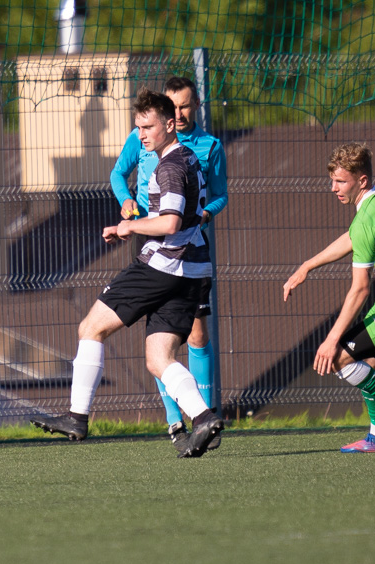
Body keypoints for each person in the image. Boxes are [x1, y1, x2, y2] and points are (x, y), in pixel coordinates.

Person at [32, 88, 224, 458]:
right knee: (158, 358)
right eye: (137, 128)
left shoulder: (169, 166)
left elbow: (168, 223)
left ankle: (77, 417)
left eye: (148, 127)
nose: (142, 135)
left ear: (169, 125)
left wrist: (128, 228)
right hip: (193, 269)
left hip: (164, 265)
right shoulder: (187, 159)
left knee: (91, 328)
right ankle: (202, 418)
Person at [282, 142, 375, 452]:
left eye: (341, 181)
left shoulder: (367, 218)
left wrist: (330, 340)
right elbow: (354, 236)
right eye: (333, 180)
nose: (333, 188)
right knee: (366, 358)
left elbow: (361, 289)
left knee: (339, 359)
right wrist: (308, 265)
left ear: (361, 180)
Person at [110, 76, 228, 453]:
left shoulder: (206, 147)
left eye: (186, 106)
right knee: (156, 339)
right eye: (173, 106)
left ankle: (207, 417)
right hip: (151, 243)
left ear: (195, 107)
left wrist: (205, 213)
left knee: (195, 335)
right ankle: (175, 421)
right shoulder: (145, 137)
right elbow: (117, 174)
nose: (179, 113)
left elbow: (220, 195)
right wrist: (127, 203)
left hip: (189, 247)